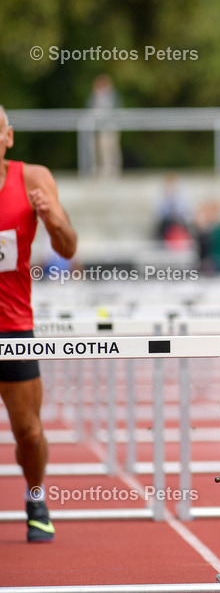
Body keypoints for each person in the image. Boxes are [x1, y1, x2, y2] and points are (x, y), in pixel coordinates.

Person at [0, 106, 78, 542]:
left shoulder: (33, 179)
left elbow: (68, 248)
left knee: (29, 432)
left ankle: (35, 497)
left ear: (8, 137)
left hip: (13, 326)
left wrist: (51, 218)